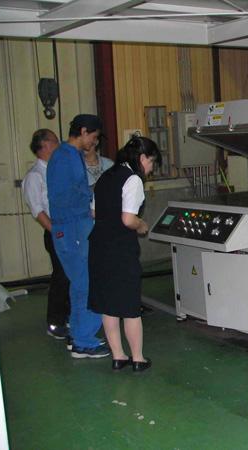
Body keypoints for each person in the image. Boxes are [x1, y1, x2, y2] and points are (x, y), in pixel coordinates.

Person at [88, 136, 161, 372]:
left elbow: (94, 212)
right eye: (151, 162)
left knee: (108, 306)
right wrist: (142, 225)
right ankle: (138, 359)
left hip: (99, 247)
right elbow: (128, 219)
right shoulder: (133, 179)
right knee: (130, 307)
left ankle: (118, 356)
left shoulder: (105, 176)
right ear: (142, 158)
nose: (151, 168)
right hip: (120, 250)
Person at [47, 114, 110, 359]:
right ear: (83, 132)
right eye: (94, 137)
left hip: (70, 227)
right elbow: (70, 195)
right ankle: (84, 341)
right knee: (88, 284)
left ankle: (77, 334)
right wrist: (93, 198)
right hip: (73, 228)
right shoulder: (67, 157)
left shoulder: (64, 155)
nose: (94, 142)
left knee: (79, 284)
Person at [22, 129, 70, 339]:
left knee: (70, 275)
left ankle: (68, 316)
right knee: (61, 276)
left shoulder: (56, 170)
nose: (59, 145)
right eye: (55, 141)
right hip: (55, 232)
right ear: (45, 145)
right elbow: (38, 210)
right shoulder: (35, 176)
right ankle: (55, 322)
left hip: (68, 229)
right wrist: (56, 232)